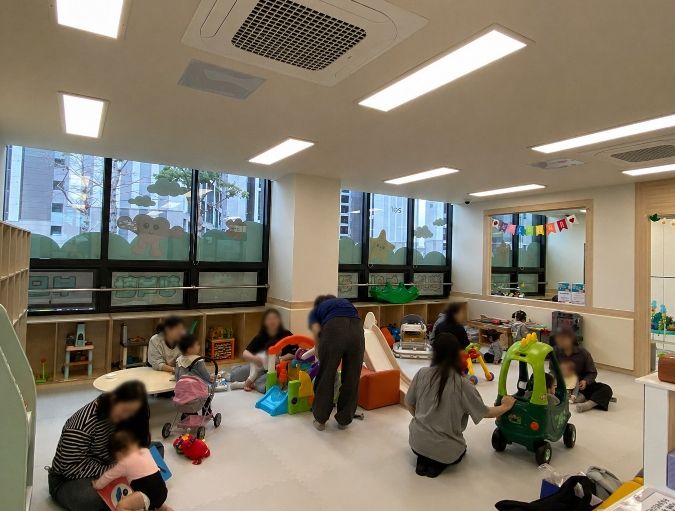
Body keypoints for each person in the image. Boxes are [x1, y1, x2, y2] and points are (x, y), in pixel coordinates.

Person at [405, 333, 516, 478]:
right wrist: (506, 406)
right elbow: (485, 412)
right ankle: (436, 461)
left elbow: (408, 403)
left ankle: (424, 459)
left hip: (416, 442)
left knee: (427, 450)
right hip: (446, 451)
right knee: (453, 450)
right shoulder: (463, 384)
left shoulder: (422, 373)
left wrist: (423, 421)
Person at [48, 381, 151, 511]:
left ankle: (133, 494)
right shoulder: (79, 427)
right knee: (88, 499)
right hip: (71, 478)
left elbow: (135, 443)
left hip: (111, 464)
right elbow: (70, 469)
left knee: (155, 451)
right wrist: (116, 470)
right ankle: (137, 494)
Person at [308, 294, 365, 431]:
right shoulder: (345, 303)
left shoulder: (315, 311)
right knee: (352, 376)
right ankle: (344, 420)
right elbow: (353, 320)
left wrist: (319, 351)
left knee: (326, 374)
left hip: (334, 328)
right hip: (357, 329)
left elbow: (317, 334)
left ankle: (320, 420)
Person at [93, 431, 170, 511]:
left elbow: (108, 476)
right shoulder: (145, 450)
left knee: (121, 507)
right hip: (162, 489)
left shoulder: (123, 463)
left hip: (147, 495)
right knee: (160, 505)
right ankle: (164, 508)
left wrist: (97, 485)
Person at [227, 309, 294, 392]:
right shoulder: (262, 336)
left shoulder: (287, 335)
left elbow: (295, 354)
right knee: (236, 375)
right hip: (260, 366)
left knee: (266, 386)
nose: (272, 322)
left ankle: (248, 384)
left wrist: (281, 359)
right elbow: (245, 353)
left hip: (276, 369)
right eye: (269, 319)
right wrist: (254, 358)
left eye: (275, 318)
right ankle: (238, 371)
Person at [554, 328, 613, 412]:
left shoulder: (584, 353)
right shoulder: (556, 352)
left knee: (606, 389)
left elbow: (592, 372)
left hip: (581, 385)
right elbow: (552, 370)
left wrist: (585, 381)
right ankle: (574, 397)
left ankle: (587, 405)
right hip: (563, 384)